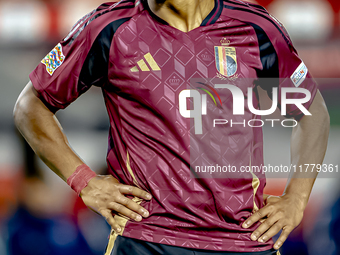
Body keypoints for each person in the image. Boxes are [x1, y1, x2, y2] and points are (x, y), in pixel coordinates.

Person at [13, 0, 330, 254]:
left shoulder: (256, 28)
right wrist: (85, 181)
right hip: (146, 238)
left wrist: (297, 198)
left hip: (243, 239)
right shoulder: (107, 27)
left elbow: (313, 112)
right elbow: (30, 105)